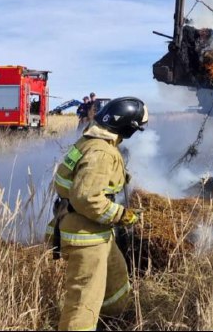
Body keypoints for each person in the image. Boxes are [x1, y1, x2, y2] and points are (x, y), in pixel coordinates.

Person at [46, 96, 148, 330]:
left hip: (92, 231)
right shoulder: (103, 152)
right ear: (127, 127)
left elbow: (71, 181)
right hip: (87, 237)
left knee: (117, 279)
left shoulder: (87, 142)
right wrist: (123, 216)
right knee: (83, 305)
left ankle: (109, 321)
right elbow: (87, 199)